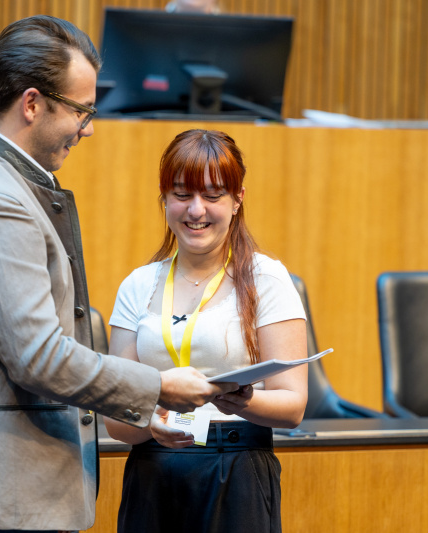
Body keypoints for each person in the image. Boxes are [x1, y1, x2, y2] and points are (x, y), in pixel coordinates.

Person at [0, 16, 235, 533]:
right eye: (81, 110)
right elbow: (38, 356)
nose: (88, 128)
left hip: (3, 487)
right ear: (31, 103)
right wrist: (157, 386)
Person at [104, 129, 308, 533]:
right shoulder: (138, 284)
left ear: (237, 200)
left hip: (237, 470)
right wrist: (149, 425)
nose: (196, 210)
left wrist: (241, 402)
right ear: (164, 199)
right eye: (181, 194)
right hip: (154, 472)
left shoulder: (266, 278)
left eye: (213, 196)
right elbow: (117, 419)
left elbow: (293, 406)